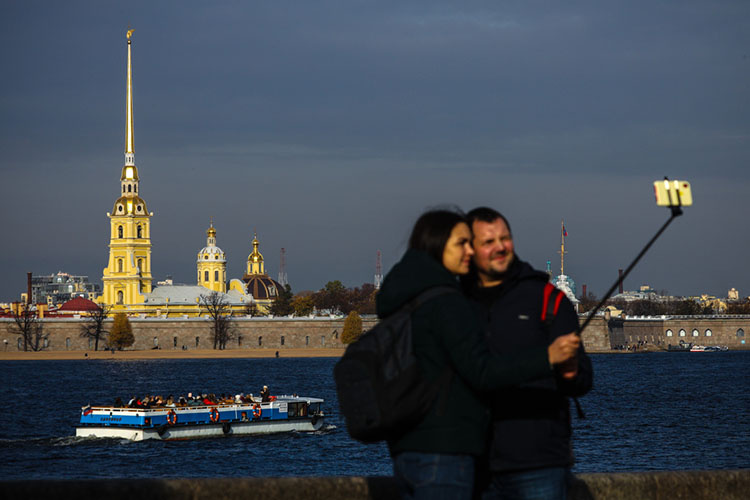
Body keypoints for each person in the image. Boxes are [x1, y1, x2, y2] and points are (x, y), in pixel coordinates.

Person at [377, 208, 581, 500]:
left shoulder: (408, 294)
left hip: (411, 449)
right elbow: (481, 372)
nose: (470, 251)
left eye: (504, 238)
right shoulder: (447, 301)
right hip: (448, 453)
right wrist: (546, 357)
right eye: (465, 243)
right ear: (439, 246)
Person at [464, 207, 593, 500]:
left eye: (505, 238)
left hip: (537, 461)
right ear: (469, 249)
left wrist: (571, 370)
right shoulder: (455, 301)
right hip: (470, 462)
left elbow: (582, 380)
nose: (500, 247)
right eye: (488, 241)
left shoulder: (548, 299)